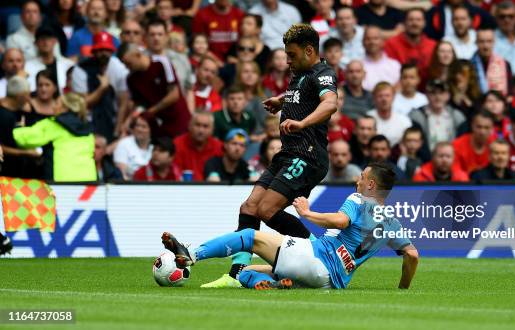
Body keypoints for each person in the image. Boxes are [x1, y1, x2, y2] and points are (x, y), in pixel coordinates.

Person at [202, 24, 338, 288]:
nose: (287, 60)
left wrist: (302, 123)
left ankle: (320, 255)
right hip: (287, 154)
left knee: (266, 209)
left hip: (308, 156)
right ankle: (236, 275)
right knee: (249, 208)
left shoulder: (323, 72)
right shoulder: (300, 74)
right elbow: (301, 96)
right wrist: (281, 100)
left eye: (292, 54)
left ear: (310, 50)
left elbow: (330, 103)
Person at [162, 162, 419, 289]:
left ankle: (192, 254)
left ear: (371, 185)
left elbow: (341, 221)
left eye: (362, 177)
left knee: (251, 236)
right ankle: (275, 284)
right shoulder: (392, 223)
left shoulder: (359, 200)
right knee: (247, 272)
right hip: (330, 282)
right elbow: (412, 255)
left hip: (318, 259)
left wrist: (307, 212)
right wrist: (402, 289)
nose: (357, 180)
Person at [13, 93, 96, 182]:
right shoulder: (87, 128)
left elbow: (24, 138)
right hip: (89, 179)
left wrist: (17, 127)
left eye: (57, 103)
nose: (53, 106)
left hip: (62, 181)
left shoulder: (53, 124)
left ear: (65, 108)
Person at [118, 43, 191, 138]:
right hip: (157, 126)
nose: (126, 67)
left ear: (137, 55)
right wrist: (129, 120)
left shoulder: (161, 63)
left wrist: (151, 111)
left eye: (128, 63)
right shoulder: (131, 79)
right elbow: (139, 104)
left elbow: (174, 94)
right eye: (124, 64)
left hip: (178, 119)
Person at [72, 31, 130, 141]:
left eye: (107, 50)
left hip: (111, 120)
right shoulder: (81, 69)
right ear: (94, 51)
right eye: (100, 50)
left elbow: (123, 102)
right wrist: (102, 89)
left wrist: (117, 130)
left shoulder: (119, 67)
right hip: (88, 122)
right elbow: (81, 104)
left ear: (112, 51)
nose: (103, 53)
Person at [410, 80, 466, 151]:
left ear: (448, 95)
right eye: (433, 93)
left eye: (441, 93)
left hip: (451, 158)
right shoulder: (417, 116)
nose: (437, 97)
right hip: (427, 160)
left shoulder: (457, 117)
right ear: (427, 95)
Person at [0, 76, 38, 179]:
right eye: (27, 94)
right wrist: (25, 153)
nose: (29, 98)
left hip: (20, 172)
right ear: (20, 96)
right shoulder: (3, 116)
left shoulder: (23, 110)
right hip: (5, 174)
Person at [384, 8, 437, 80]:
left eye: (418, 20)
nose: (414, 23)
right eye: (410, 20)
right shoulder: (391, 44)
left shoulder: (433, 46)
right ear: (404, 23)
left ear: (424, 23)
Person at [145, 19, 193, 94]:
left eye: (160, 34)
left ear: (166, 37)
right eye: (152, 34)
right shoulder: (139, 60)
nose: (156, 38)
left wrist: (190, 106)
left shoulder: (181, 59)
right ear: (146, 37)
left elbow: (189, 89)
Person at [173, 111, 223, 181]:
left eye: (205, 126)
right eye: (197, 125)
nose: (201, 130)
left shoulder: (219, 147)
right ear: (189, 126)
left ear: (212, 129)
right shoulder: (177, 144)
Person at [25, 26, 75, 94]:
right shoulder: (27, 67)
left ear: (55, 41)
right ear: (36, 43)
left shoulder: (68, 65)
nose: (45, 42)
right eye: (42, 39)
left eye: (48, 38)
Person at [366, 82, 412, 146]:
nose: (384, 99)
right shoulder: (367, 119)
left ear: (393, 97)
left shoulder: (404, 121)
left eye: (387, 96)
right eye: (380, 96)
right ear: (374, 98)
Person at [471, 27, 512, 96]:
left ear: (494, 42)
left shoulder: (504, 64)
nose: (485, 46)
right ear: (476, 43)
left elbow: (510, 92)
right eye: (481, 42)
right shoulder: (469, 65)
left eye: (489, 41)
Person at [113, 115, 153, 180]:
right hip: (130, 185)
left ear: (151, 129)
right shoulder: (124, 143)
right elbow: (121, 170)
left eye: (144, 126)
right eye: (137, 126)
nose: (139, 129)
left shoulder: (155, 146)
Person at [362, 26, 401, 91]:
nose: (372, 42)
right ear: (363, 42)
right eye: (368, 39)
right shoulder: (357, 66)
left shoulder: (395, 65)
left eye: (375, 38)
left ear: (383, 42)